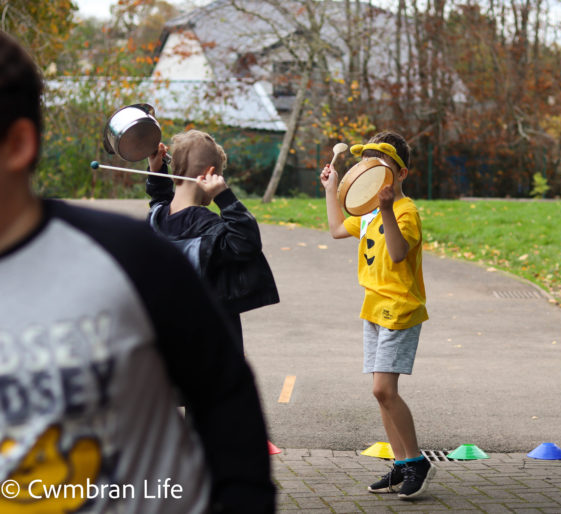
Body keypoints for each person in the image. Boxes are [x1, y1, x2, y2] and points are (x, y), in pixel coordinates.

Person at [0, 31, 274, 513]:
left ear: (18, 143)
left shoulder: (134, 254)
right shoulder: (169, 224)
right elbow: (167, 202)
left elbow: (228, 404)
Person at [320, 131, 434, 499]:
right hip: (373, 308)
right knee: (382, 395)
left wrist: (386, 209)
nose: (371, 171)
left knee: (383, 389)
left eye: (380, 164)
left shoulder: (405, 211)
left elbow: (399, 253)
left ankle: (416, 461)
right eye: (367, 164)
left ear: (400, 174)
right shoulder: (367, 212)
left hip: (400, 310)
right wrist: (331, 187)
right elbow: (338, 229)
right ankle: (402, 464)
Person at [145, 130, 279, 353]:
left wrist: (157, 171)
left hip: (164, 336)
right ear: (211, 174)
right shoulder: (209, 228)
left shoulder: (156, 219)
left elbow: (159, 200)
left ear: (174, 168)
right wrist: (224, 197)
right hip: (208, 344)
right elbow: (247, 242)